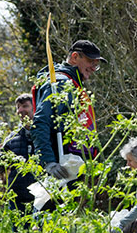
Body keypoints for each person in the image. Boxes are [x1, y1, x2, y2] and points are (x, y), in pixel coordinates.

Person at [31, 39, 105, 184]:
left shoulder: (74, 84)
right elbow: (40, 123)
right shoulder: (60, 83)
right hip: (60, 170)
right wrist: (49, 163)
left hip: (73, 169)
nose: (93, 68)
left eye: (96, 65)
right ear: (75, 57)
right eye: (91, 62)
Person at [0, 93, 37, 214]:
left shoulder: (46, 135)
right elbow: (0, 166)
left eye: (25, 106)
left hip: (42, 198)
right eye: (18, 108)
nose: (20, 110)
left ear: (35, 108)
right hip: (17, 199)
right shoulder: (11, 138)